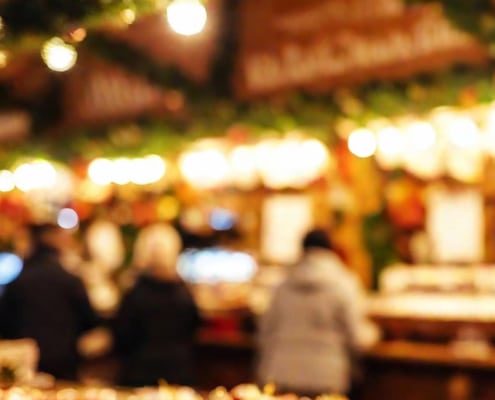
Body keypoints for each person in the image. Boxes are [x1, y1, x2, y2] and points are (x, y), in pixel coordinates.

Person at [256, 228, 379, 398]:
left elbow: (265, 331)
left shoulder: (282, 283)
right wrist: (375, 334)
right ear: (331, 249)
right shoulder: (344, 284)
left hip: (281, 374)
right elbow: (357, 336)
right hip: (327, 378)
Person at [0, 223, 100, 381]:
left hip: (28, 363)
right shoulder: (70, 280)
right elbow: (90, 320)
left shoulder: (18, 282)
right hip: (64, 361)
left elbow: (5, 322)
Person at [112, 223, 201, 387]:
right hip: (178, 373)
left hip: (139, 374)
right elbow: (194, 326)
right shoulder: (183, 292)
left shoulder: (135, 292)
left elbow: (122, 335)